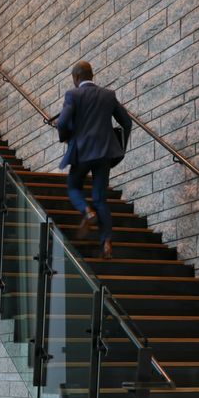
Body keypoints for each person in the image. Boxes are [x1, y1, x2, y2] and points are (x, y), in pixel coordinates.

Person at [55, 60, 133, 260]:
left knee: (73, 186)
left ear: (76, 78)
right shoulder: (108, 95)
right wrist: (119, 147)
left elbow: (62, 122)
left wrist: (66, 137)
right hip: (104, 153)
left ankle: (87, 211)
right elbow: (126, 121)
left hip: (82, 152)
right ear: (92, 75)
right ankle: (106, 242)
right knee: (100, 198)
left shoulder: (73, 94)